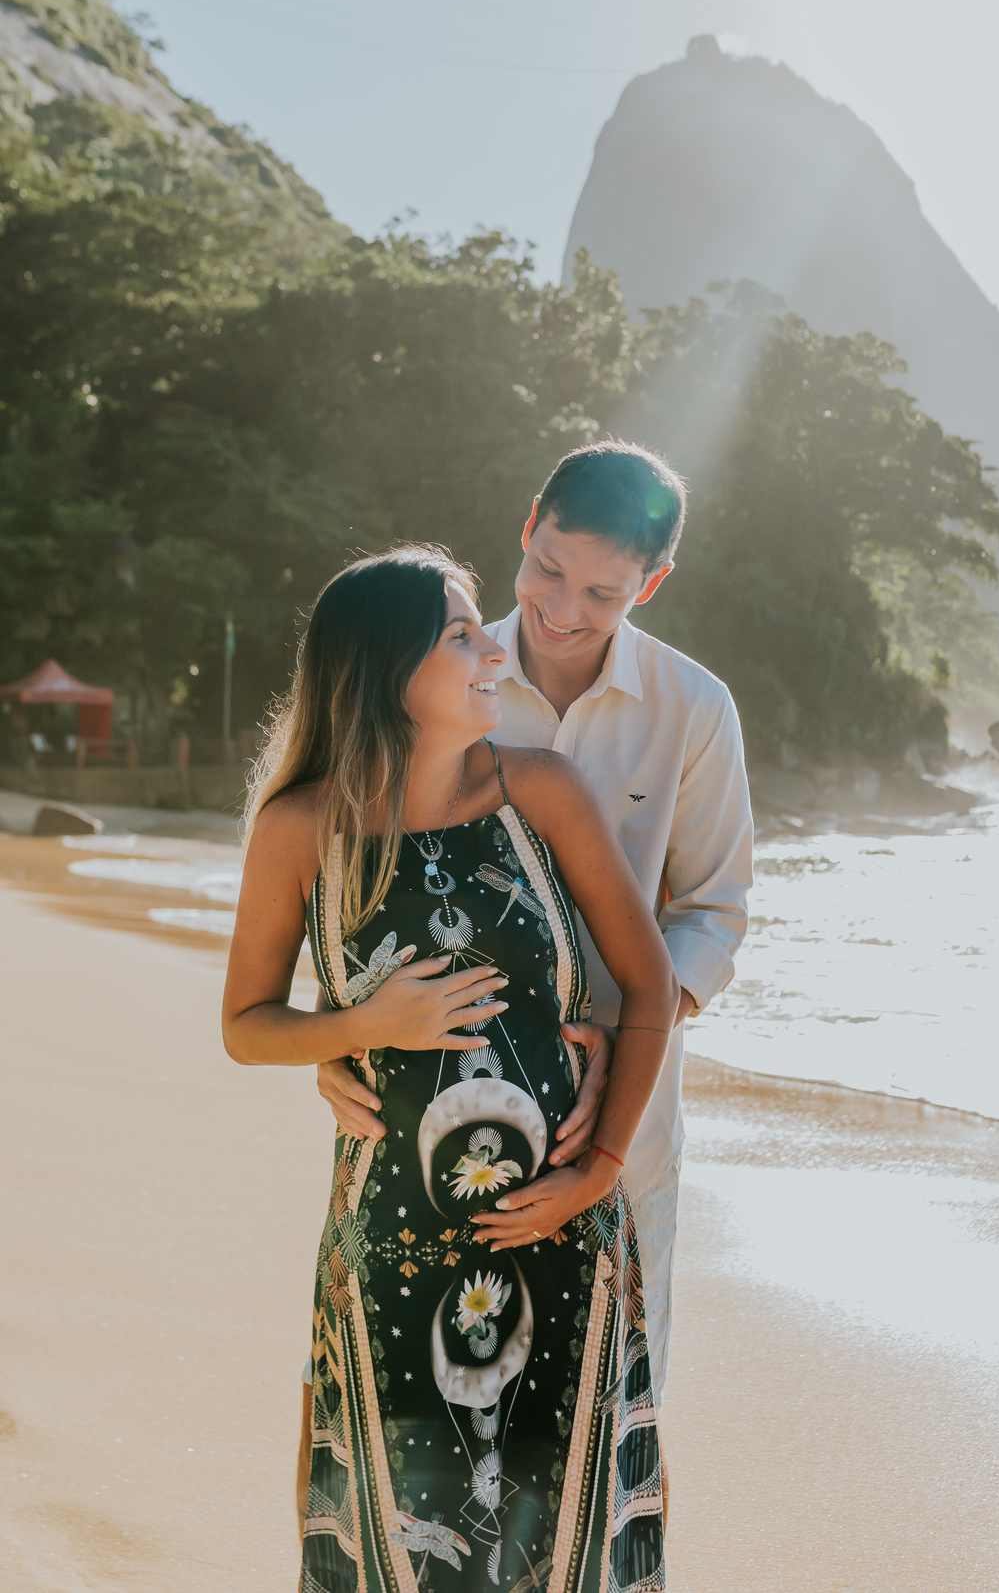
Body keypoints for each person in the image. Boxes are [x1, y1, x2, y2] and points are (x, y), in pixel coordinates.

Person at [223, 544, 676, 1593]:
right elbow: (247, 1023)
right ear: (388, 669)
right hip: (392, 1241)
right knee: (406, 1519)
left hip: (560, 1228)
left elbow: (648, 988)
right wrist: (360, 1022)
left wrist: (601, 1166)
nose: (490, 651)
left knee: (554, 1527)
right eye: (460, 633)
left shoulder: (544, 794)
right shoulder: (301, 827)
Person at [317, 442, 754, 1415]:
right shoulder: (441, 671)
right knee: (431, 1394)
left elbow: (715, 911)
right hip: (443, 1099)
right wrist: (337, 1025)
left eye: (603, 593)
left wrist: (625, 1035)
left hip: (624, 1116)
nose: (562, 610)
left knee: (607, 1403)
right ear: (526, 526)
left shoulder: (695, 709)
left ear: (654, 581)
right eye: (548, 569)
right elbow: (368, 862)